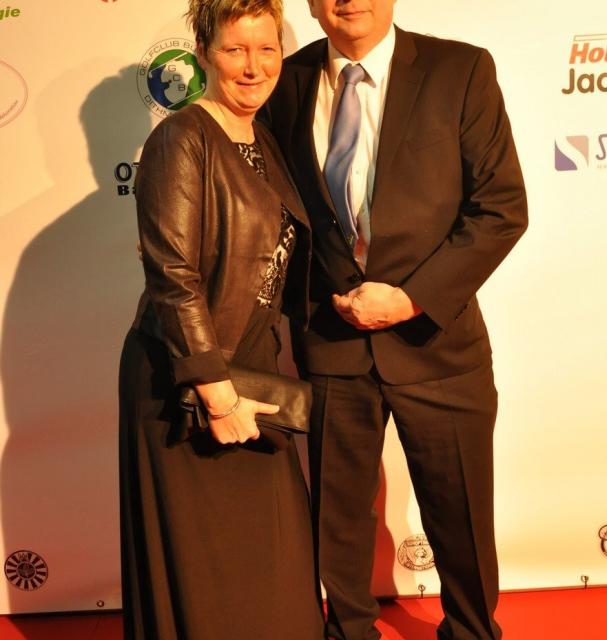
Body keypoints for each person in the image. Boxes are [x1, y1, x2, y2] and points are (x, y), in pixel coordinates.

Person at [262, 1, 528, 639]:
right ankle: (349, 632)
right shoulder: (283, 82)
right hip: (331, 341)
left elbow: (501, 208)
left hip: (438, 342)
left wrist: (411, 300)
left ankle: (471, 630)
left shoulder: (460, 70)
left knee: (460, 515)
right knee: (337, 521)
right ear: (310, 4)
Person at [118, 1, 323, 638]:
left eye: (267, 48)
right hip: (189, 378)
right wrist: (215, 391)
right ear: (204, 53)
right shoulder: (182, 138)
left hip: (251, 369)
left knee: (269, 562)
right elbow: (173, 275)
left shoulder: (262, 137)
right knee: (206, 570)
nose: (253, 66)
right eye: (235, 49)